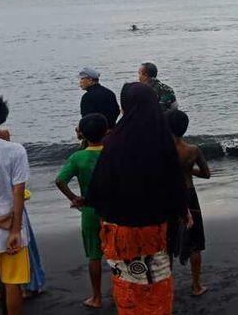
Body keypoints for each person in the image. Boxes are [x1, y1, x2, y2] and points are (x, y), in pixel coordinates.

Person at [86, 83, 189, 315]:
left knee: (128, 288)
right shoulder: (162, 140)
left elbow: (100, 188)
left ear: (124, 108)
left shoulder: (114, 142)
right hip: (154, 229)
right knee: (156, 284)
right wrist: (183, 211)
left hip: (120, 231)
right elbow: (174, 182)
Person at [0, 95, 30, 315]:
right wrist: (14, 229)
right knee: (12, 283)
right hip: (11, 232)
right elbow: (18, 191)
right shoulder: (15, 150)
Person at [55, 113, 109, 309]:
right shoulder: (113, 152)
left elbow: (60, 181)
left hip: (90, 210)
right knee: (121, 252)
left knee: (94, 255)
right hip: (116, 209)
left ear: (82, 134)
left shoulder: (78, 157)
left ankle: (96, 297)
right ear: (107, 131)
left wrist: (75, 199)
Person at [166, 109, 210, 297]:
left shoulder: (162, 150)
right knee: (195, 242)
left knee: (167, 242)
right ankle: (196, 285)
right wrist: (189, 171)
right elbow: (206, 174)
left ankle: (166, 285)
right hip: (189, 194)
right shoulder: (192, 150)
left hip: (168, 195)